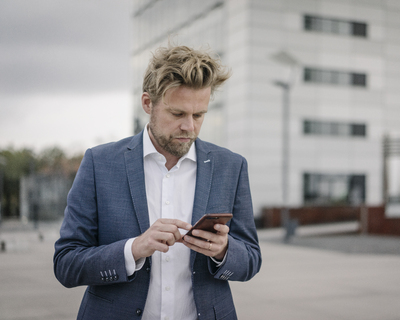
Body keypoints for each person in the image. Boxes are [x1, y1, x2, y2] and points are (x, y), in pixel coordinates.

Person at [54, 45, 262, 320]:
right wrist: (134, 249)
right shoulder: (99, 163)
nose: (190, 127)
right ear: (147, 103)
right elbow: (66, 264)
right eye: (177, 114)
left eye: (199, 115)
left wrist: (223, 251)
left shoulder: (231, 166)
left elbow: (251, 259)